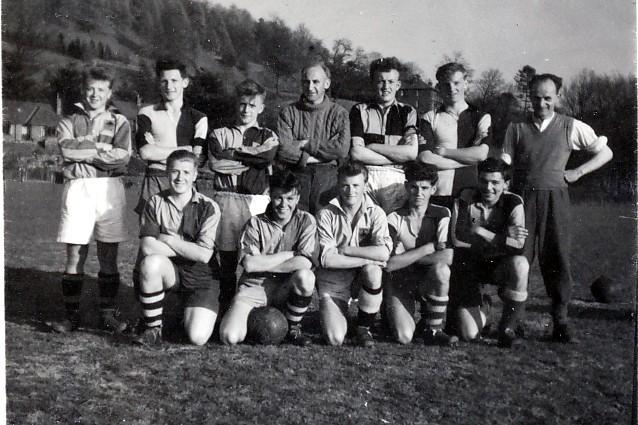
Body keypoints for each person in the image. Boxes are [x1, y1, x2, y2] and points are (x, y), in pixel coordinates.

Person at [501, 73, 613, 343]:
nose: (542, 104)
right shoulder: (516, 127)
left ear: (558, 98)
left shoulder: (569, 126)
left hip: (556, 199)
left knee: (557, 258)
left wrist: (578, 171)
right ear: (530, 97)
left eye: (548, 98)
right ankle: (514, 322)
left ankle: (561, 322)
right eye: (537, 98)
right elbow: (504, 163)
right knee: (519, 258)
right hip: (522, 200)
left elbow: (605, 152)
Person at [48, 66, 131, 333]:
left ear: (110, 93)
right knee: (75, 253)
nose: (95, 94)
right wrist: (101, 149)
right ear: (84, 89)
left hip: (109, 189)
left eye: (101, 90)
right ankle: (70, 317)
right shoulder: (68, 120)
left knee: (108, 254)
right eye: (90, 89)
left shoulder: (120, 122)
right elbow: (66, 149)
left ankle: (107, 314)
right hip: (78, 188)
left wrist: (86, 150)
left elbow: (123, 156)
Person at [219, 171, 317, 346]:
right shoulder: (255, 223)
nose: (283, 204)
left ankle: (293, 327)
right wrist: (289, 255)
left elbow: (305, 262)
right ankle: (254, 323)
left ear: (297, 198)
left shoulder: (306, 220)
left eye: (289, 198)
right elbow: (249, 264)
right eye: (278, 198)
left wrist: (263, 263)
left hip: (286, 288)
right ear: (270, 195)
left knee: (305, 277)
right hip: (254, 287)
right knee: (229, 336)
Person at [134, 150, 221, 347]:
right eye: (174, 171)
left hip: (200, 277)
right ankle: (153, 331)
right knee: (151, 263)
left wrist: (168, 240)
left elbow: (204, 255)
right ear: (167, 172)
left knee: (197, 338)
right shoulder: (155, 201)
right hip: (171, 271)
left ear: (195, 175)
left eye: (186, 172)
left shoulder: (209, 207)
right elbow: (148, 247)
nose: (180, 177)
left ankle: (179, 311)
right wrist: (188, 248)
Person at [207, 79, 278, 314]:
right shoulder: (219, 133)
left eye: (251, 105)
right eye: (242, 104)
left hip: (256, 201)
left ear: (261, 108)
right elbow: (216, 162)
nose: (246, 109)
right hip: (226, 198)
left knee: (255, 260)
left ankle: (251, 310)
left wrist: (235, 153)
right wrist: (250, 159)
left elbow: (266, 157)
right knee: (227, 261)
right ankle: (225, 307)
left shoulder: (269, 135)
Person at [449, 158, 529, 348]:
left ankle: (507, 328)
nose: (488, 187)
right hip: (469, 268)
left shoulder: (514, 201)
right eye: (484, 181)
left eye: (495, 182)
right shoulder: (465, 196)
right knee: (469, 333)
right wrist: (501, 236)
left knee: (520, 264)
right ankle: (483, 305)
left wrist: (479, 231)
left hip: (497, 266)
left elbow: (518, 246)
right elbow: (457, 240)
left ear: (506, 184)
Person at [316, 162, 392, 347]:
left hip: (361, 279)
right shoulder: (325, 213)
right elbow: (327, 259)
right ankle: (337, 313)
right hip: (334, 281)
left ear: (365, 185)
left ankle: (363, 328)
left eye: (356, 185)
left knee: (373, 272)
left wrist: (347, 250)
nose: (351, 191)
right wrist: (368, 258)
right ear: (338, 185)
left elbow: (384, 253)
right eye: (345, 185)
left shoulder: (377, 213)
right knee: (335, 338)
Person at [384, 162, 457, 346]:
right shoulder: (394, 217)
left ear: (433, 189)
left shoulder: (442, 214)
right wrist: (426, 249)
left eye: (425, 188)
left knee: (442, 271)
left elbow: (447, 257)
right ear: (407, 186)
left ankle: (433, 329)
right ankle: (389, 314)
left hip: (426, 281)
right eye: (414, 187)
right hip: (400, 282)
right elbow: (389, 264)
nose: (419, 193)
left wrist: (406, 257)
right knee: (404, 337)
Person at [135, 58, 208, 215]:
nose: (169, 86)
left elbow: (197, 158)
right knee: (151, 236)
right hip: (154, 181)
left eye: (174, 80)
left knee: (184, 236)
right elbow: (145, 152)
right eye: (164, 81)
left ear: (185, 82)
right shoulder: (146, 113)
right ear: (159, 83)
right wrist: (185, 149)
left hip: (184, 183)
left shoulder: (199, 118)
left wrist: (158, 149)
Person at [276, 60, 350, 213]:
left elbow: (341, 149)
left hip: (328, 180)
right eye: (306, 82)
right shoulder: (288, 112)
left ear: (327, 84)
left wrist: (305, 144)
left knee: (324, 226)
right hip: (296, 178)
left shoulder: (339, 113)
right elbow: (284, 150)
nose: (310, 87)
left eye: (316, 82)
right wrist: (325, 155)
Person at [349, 57, 418, 213]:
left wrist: (372, 146)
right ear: (373, 83)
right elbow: (357, 153)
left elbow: (411, 153)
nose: (386, 86)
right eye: (381, 81)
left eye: (391, 82)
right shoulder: (359, 110)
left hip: (396, 180)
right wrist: (397, 156)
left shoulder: (408, 111)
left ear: (398, 85)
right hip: (366, 177)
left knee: (392, 231)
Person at [418, 62, 491, 196]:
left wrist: (444, 152)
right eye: (446, 84)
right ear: (439, 87)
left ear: (466, 83)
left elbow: (481, 154)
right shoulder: (429, 117)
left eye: (456, 83)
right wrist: (466, 162)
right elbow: (426, 158)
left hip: (470, 193)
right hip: (437, 192)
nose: (451, 89)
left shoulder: (481, 117)